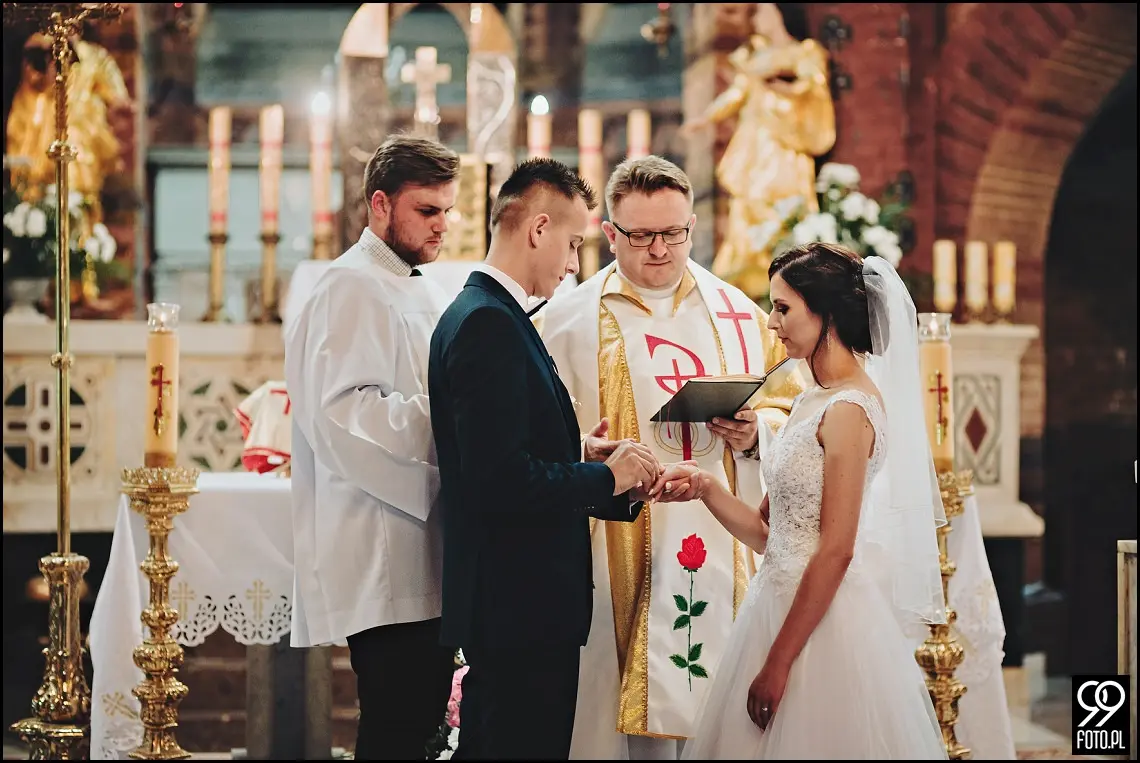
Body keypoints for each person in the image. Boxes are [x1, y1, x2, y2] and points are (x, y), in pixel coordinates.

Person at [540, 155, 803, 761]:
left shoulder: (740, 314)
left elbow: (794, 408)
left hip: (722, 539)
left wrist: (754, 432)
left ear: (692, 226)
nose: (659, 249)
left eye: (674, 233)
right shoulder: (566, 322)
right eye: (640, 235)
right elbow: (537, 435)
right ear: (609, 234)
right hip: (612, 550)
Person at [428, 158, 685, 760]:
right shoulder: (489, 323)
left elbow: (502, 449)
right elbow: (499, 482)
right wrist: (607, 475)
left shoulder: (490, 314)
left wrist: (579, 450)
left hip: (517, 602)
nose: (574, 263)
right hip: (520, 604)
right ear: (537, 229)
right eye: (571, 243)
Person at [656, 243, 949, 759]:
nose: (772, 323)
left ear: (827, 314)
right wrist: (706, 487)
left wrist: (779, 662)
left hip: (822, 627)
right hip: (774, 602)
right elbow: (774, 538)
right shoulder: (810, 399)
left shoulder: (848, 410)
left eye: (784, 308)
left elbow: (836, 550)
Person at [285, 135, 461, 760]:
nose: (443, 225)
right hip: (385, 540)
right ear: (380, 205)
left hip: (420, 538)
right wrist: (460, 427)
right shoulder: (350, 286)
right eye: (428, 211)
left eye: (447, 209)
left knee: (418, 725)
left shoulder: (416, 285)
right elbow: (346, 413)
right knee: (394, 724)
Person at [682, 3, 836, 300]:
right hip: (755, 147)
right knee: (746, 210)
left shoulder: (804, 51)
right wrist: (706, 118)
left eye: (763, 12)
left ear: (782, 15)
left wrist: (784, 85)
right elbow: (737, 93)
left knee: (784, 214)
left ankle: (788, 285)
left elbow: (814, 85)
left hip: (786, 147)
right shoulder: (755, 54)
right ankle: (741, 288)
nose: (757, 19)